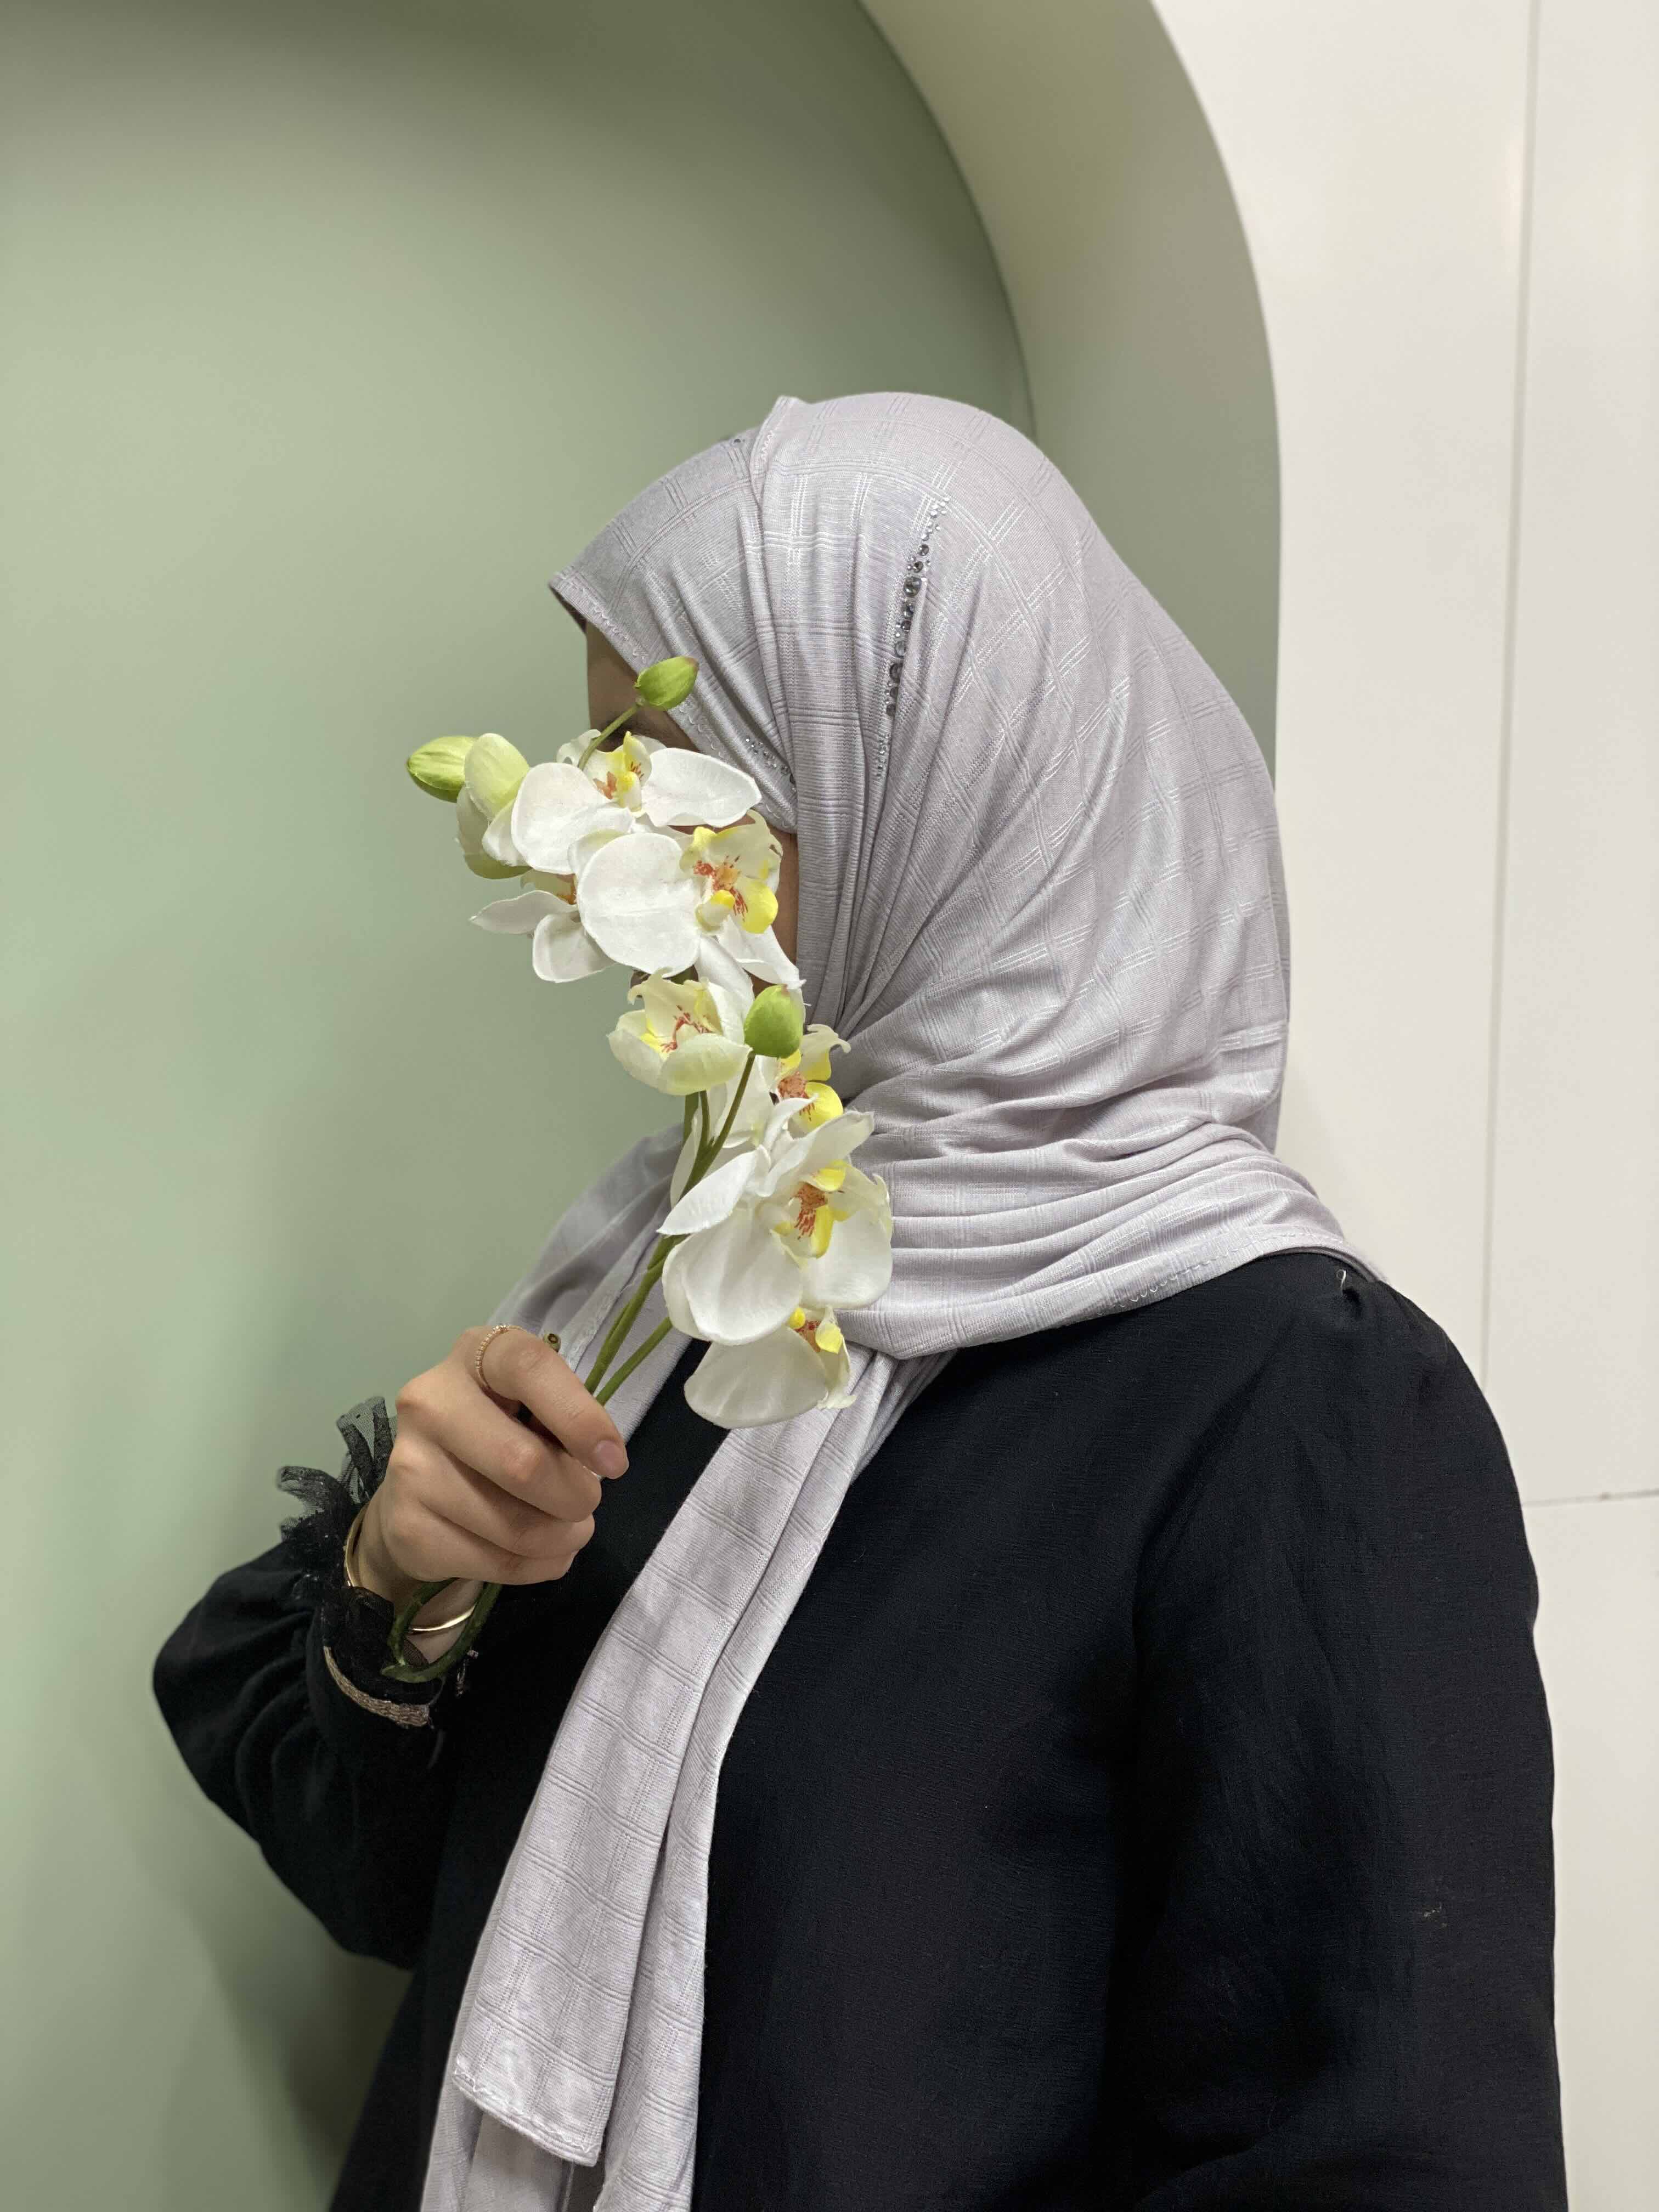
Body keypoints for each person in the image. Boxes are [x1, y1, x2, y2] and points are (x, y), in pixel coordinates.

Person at [155, 392, 1566, 2211]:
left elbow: (1381, 2156)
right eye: (608, 796)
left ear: (941, 788)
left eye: (684, 795)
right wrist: (402, 1589)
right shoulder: (703, 1275)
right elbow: (397, 1888)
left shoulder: (1288, 1407)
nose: (624, 877)